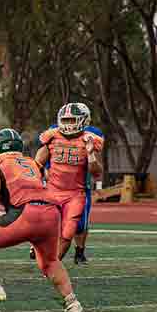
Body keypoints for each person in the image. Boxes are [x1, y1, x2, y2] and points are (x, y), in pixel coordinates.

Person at [0, 128, 83, 312]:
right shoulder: (32, 163)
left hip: (26, 214)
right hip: (51, 213)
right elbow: (32, 188)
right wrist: (3, 214)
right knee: (50, 261)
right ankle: (72, 302)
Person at [34, 102, 104, 262]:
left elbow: (97, 172)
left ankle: (74, 253)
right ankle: (41, 250)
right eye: (65, 120)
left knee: (77, 227)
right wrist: (39, 177)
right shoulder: (52, 134)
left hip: (77, 189)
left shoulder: (92, 137)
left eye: (72, 120)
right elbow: (38, 161)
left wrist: (91, 153)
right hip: (53, 187)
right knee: (43, 221)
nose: (68, 125)